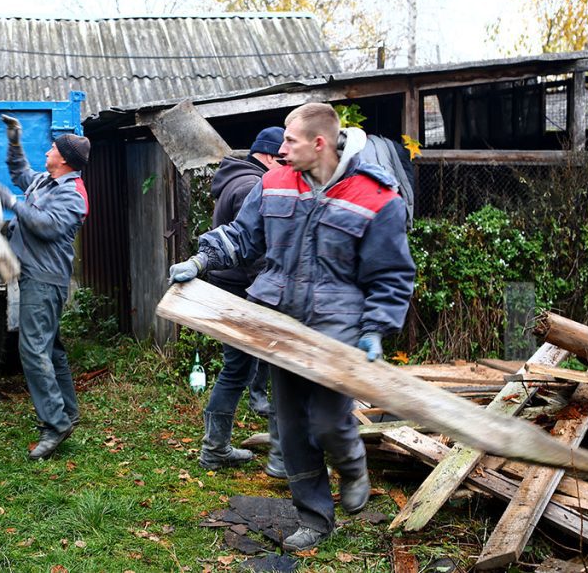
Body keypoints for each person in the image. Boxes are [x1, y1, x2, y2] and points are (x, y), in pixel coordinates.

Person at [169, 103, 414, 552]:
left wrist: (377, 329)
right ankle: (316, 519)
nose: (281, 149)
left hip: (336, 328)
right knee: (292, 428)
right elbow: (241, 237)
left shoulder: (375, 196)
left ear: (319, 143)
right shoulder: (274, 183)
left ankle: (352, 464)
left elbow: (392, 274)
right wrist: (200, 260)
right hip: (279, 323)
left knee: (326, 421)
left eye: (290, 140)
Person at [0, 116, 90, 460]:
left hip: (45, 279)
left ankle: (55, 424)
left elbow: (45, 226)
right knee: (50, 349)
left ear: (64, 159)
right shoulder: (46, 182)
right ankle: (67, 411)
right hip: (35, 275)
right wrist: (14, 140)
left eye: (52, 148)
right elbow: (20, 173)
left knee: (32, 351)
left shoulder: (73, 194)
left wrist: (12, 203)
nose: (47, 151)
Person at [199, 126, 286, 479]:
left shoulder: (236, 178)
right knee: (244, 370)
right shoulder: (253, 186)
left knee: (239, 369)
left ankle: (215, 447)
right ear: (267, 156)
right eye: (281, 158)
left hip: (232, 289)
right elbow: (249, 251)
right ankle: (216, 449)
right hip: (241, 291)